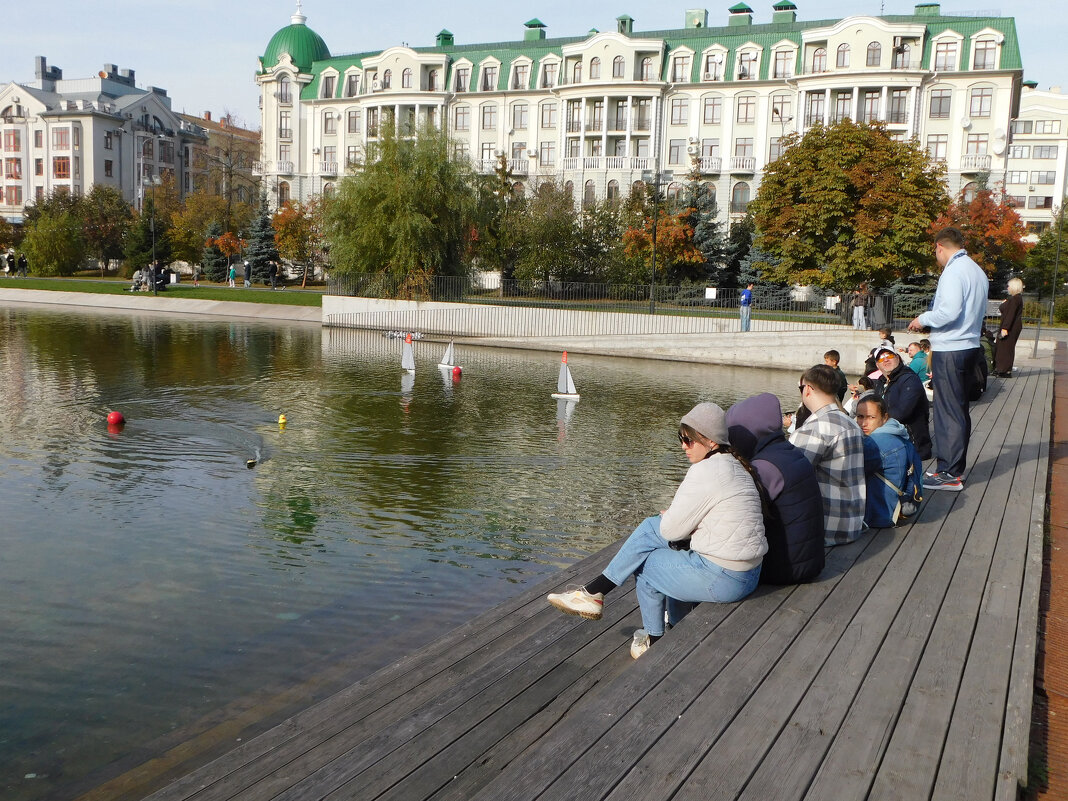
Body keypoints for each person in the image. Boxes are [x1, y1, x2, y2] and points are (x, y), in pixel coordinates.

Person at [546, 402, 766, 659]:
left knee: (646, 563)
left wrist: (670, 518)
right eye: (680, 438)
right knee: (659, 542)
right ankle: (607, 598)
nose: (683, 446)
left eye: (689, 440)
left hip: (725, 578)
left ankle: (652, 638)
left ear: (711, 442)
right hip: (747, 572)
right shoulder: (735, 466)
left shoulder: (705, 471)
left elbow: (672, 531)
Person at [908, 226, 989, 491]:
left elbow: (949, 311)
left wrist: (923, 319)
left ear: (939, 247)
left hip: (951, 350)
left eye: (935, 253)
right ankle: (953, 469)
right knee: (958, 409)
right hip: (968, 347)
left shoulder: (954, 271)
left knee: (947, 412)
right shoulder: (976, 271)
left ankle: (950, 473)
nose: (936, 257)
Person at [727, 393, 825, 584]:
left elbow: (740, 517)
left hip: (785, 568)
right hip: (808, 561)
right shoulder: (788, 452)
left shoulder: (765, 466)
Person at [789, 364, 866, 546]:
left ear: (808, 389)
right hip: (852, 523)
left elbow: (788, 477)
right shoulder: (851, 423)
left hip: (827, 529)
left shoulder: (815, 429)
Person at [856, 395, 921, 528]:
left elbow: (850, 473)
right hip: (901, 505)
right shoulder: (898, 432)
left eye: (871, 417)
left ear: (885, 418)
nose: (863, 423)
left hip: (880, 515)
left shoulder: (874, 444)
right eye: (860, 417)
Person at [871, 344, 932, 460]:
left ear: (897, 358)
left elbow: (902, 413)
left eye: (889, 355)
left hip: (911, 446)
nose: (886, 359)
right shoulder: (881, 382)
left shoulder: (909, 379)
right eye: (881, 358)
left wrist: (874, 422)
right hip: (888, 439)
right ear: (877, 365)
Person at [994, 277, 1024, 377]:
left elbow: (1010, 314)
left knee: (1005, 348)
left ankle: (1004, 370)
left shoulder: (1015, 299)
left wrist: (1005, 328)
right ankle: (1002, 368)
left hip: (1010, 327)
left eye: (1009, 286)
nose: (1007, 288)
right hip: (1013, 326)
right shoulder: (1016, 298)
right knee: (1005, 347)